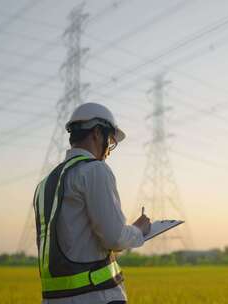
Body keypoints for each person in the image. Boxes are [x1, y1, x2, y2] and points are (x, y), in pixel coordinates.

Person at [34, 102, 151, 304]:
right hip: (96, 296)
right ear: (97, 133)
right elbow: (114, 238)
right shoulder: (94, 170)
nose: (109, 150)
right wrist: (138, 230)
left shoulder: (45, 184)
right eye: (111, 141)